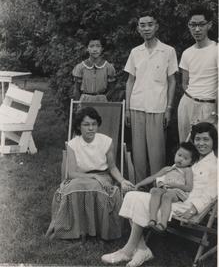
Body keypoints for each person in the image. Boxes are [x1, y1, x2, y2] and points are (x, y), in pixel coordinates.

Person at [101, 122, 217, 267]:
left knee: (139, 200)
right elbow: (172, 174)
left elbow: (212, 194)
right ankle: (141, 249)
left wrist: (194, 209)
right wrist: (161, 182)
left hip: (186, 204)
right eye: (198, 139)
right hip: (171, 195)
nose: (201, 143)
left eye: (206, 139)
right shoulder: (192, 158)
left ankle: (128, 250)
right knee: (132, 195)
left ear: (214, 141)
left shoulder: (215, 165)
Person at [46, 107, 134, 240]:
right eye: (86, 125)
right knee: (74, 187)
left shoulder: (106, 141)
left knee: (96, 188)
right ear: (78, 126)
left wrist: (122, 181)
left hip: (103, 176)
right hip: (80, 177)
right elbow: (71, 173)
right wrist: (93, 176)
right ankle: (75, 230)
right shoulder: (73, 144)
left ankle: (95, 230)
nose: (91, 128)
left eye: (94, 124)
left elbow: (112, 167)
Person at [125, 10, 178, 182]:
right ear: (138, 29)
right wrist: (127, 109)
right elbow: (130, 81)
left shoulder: (168, 51)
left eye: (150, 24)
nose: (146, 28)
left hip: (157, 107)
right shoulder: (135, 52)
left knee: (157, 153)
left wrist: (169, 109)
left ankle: (158, 185)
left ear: (156, 27)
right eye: (142, 25)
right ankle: (139, 186)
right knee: (138, 153)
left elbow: (172, 82)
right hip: (137, 106)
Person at [135, 142, 199, 232]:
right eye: (179, 155)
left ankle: (163, 224)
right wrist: (139, 184)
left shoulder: (187, 170)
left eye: (185, 158)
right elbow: (153, 177)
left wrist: (175, 185)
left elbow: (189, 187)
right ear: (175, 153)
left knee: (167, 196)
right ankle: (152, 219)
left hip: (178, 192)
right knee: (155, 190)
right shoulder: (167, 169)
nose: (181, 159)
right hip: (166, 189)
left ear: (191, 162)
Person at [178, 6, 218, 142]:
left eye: (201, 24)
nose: (197, 29)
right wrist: (192, 101)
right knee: (186, 148)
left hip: (209, 107)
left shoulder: (216, 49)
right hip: (187, 104)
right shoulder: (187, 53)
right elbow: (184, 83)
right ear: (188, 26)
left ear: (209, 25)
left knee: (206, 150)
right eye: (193, 25)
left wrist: (215, 112)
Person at [73, 34, 116, 102]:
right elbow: (76, 89)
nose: (95, 49)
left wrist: (104, 98)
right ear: (87, 48)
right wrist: (78, 103)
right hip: (85, 100)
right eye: (91, 46)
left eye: (98, 46)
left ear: (102, 48)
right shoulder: (80, 67)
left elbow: (112, 89)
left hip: (102, 100)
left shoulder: (108, 67)